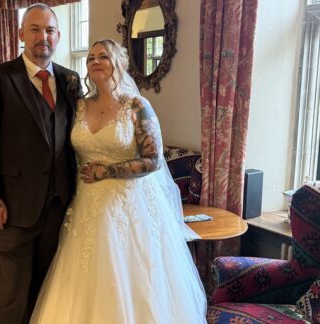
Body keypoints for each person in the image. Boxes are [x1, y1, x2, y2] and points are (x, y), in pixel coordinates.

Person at [30, 39, 207, 324]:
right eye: (91, 58)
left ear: (119, 63)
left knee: (130, 277)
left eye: (104, 56)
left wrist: (108, 171)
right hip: (86, 204)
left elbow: (154, 159)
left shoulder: (137, 106)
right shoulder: (78, 106)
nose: (96, 61)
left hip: (128, 206)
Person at [0, 4, 81, 324]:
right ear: (21, 34)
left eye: (49, 30)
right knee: (13, 293)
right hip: (12, 206)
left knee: (45, 287)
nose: (42, 37)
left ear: (58, 36)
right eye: (35, 29)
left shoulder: (70, 80)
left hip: (58, 205)